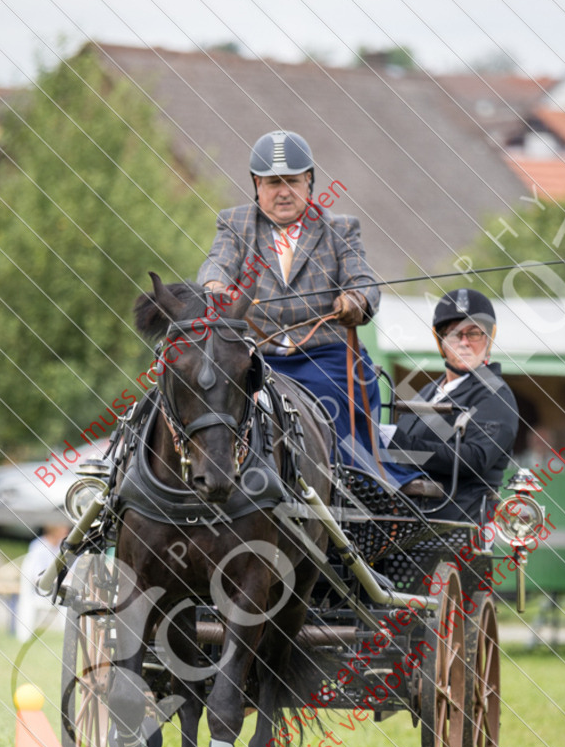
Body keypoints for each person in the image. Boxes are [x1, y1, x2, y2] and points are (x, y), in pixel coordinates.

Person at [197, 129, 421, 490]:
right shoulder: (235, 224)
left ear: (310, 182)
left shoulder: (340, 229)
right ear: (257, 184)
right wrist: (215, 288)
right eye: (273, 182)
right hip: (256, 356)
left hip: (323, 356)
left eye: (292, 181)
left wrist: (356, 300)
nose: (283, 191)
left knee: (346, 389)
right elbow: (216, 264)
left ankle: (355, 480)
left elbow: (363, 280)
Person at [388, 288, 519, 522]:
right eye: (454, 334)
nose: (464, 343)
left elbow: (475, 458)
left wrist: (402, 444)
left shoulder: (496, 394)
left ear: (488, 339)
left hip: (457, 527)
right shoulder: (427, 393)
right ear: (441, 342)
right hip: (405, 519)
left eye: (474, 333)